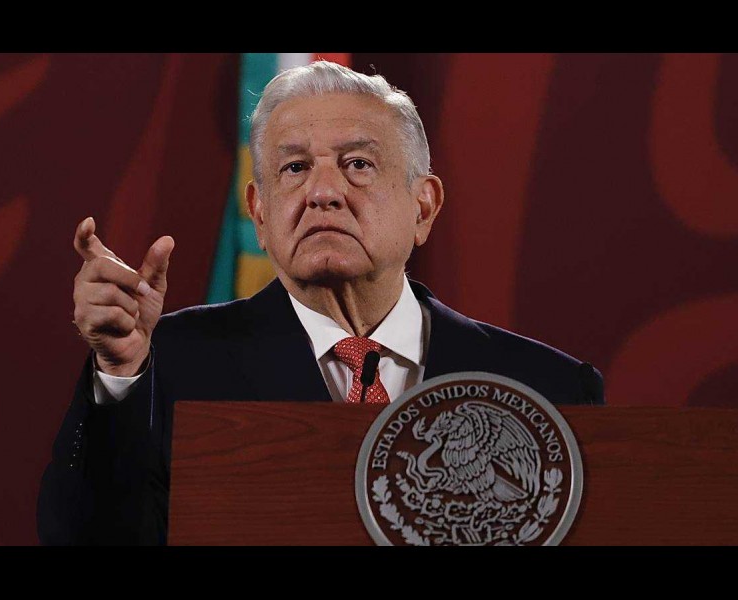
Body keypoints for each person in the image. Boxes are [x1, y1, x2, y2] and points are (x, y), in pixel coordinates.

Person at [37, 61, 605, 546]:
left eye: (358, 164)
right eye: (295, 167)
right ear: (259, 213)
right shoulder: (166, 365)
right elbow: (84, 537)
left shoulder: (549, 390)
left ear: (424, 207)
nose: (323, 192)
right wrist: (119, 376)